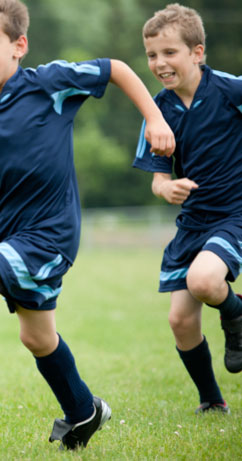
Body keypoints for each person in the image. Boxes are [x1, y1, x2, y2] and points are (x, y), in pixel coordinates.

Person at [0, 0, 175, 450]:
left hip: (50, 234)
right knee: (38, 337)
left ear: (19, 46)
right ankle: (84, 411)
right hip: (12, 235)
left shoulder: (49, 84)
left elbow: (115, 68)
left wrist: (155, 117)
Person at [133, 3, 242, 415]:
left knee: (203, 280)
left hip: (234, 214)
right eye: (152, 55)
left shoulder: (230, 90)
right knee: (180, 321)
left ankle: (236, 315)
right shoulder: (156, 113)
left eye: (169, 53)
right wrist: (167, 188)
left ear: (197, 52)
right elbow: (157, 177)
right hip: (193, 223)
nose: (159, 63)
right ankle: (212, 401)